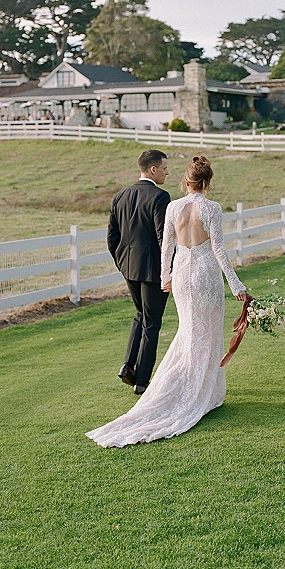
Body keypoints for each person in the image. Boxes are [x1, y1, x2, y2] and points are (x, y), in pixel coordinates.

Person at [87, 155, 247, 448]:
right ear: (207, 182)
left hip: (182, 275)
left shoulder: (173, 206)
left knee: (188, 331)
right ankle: (204, 391)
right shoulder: (211, 208)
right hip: (204, 275)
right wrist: (236, 284)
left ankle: (191, 385)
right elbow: (220, 251)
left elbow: (167, 248)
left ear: (186, 181)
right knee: (208, 332)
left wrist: (165, 277)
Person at [107, 149, 171, 396]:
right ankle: (142, 381)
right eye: (164, 168)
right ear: (153, 169)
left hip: (129, 268)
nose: (167, 172)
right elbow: (163, 237)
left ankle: (127, 366)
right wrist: (169, 271)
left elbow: (112, 238)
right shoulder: (160, 197)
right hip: (153, 270)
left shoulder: (120, 196)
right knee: (152, 323)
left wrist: (123, 263)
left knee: (140, 316)